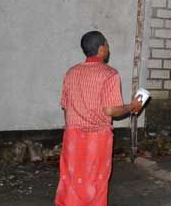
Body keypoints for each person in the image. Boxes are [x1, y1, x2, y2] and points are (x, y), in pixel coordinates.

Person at [55, 30, 142, 206]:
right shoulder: (109, 74)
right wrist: (131, 107)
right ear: (101, 49)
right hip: (97, 138)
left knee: (71, 178)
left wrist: (74, 126)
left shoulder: (71, 73)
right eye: (107, 45)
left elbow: (65, 106)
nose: (108, 48)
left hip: (72, 135)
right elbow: (110, 110)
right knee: (95, 180)